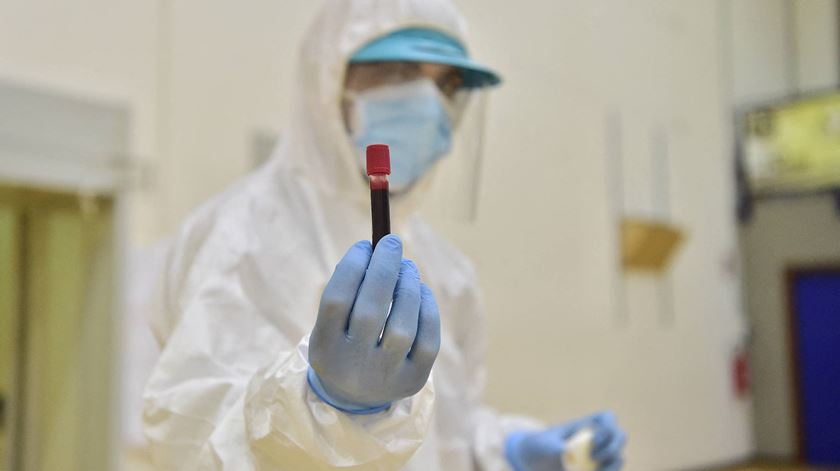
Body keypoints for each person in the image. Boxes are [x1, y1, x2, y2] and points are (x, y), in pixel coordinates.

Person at [143, 0, 626, 470]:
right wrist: (326, 407)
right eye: (399, 71)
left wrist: (507, 451)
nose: (429, 102)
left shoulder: (444, 269)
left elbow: (444, 432)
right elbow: (200, 441)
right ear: (328, 79)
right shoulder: (243, 237)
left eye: (448, 83)